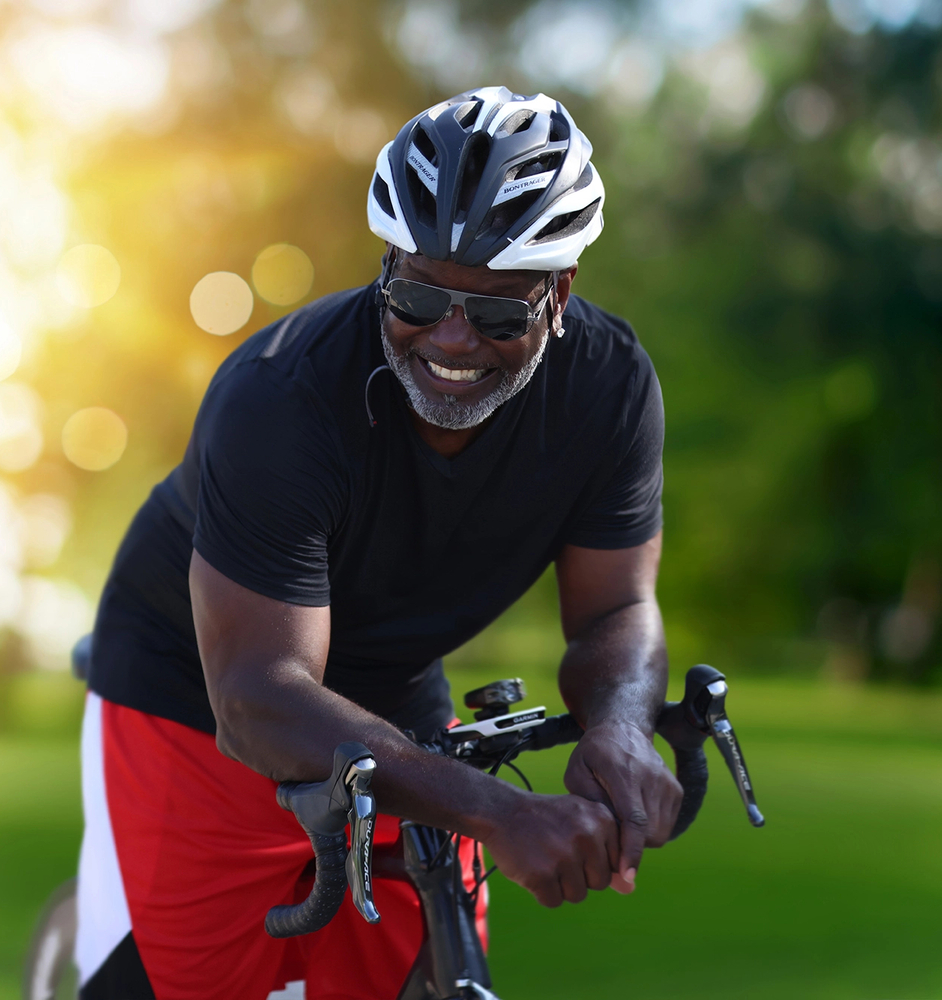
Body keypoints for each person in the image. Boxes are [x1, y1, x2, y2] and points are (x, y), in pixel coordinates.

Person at [74, 86, 680, 1000]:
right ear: (385, 263)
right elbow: (257, 696)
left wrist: (623, 727)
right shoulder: (279, 399)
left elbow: (616, 608)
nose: (451, 339)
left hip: (388, 704)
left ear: (558, 294)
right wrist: (499, 812)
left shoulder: (610, 388)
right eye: (418, 295)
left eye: (498, 315)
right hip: (198, 698)